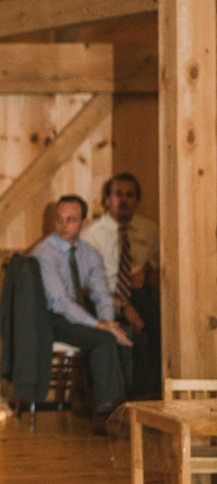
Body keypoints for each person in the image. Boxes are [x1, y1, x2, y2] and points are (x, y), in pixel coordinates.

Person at [31, 195, 132, 423]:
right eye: (59, 219)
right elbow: (60, 302)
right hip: (51, 319)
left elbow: (102, 295)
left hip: (76, 315)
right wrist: (101, 327)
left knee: (126, 336)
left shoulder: (89, 253)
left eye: (71, 220)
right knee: (104, 339)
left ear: (84, 223)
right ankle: (109, 414)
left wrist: (108, 321)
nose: (63, 225)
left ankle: (128, 406)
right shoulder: (44, 253)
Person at [81, 173, 161, 397]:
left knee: (160, 324)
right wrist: (124, 306)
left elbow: (160, 267)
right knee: (135, 334)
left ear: (136, 200)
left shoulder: (149, 230)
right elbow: (88, 284)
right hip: (103, 297)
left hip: (138, 294)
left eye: (130, 195)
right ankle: (134, 399)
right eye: (118, 194)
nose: (123, 200)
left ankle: (156, 394)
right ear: (107, 200)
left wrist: (147, 272)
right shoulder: (92, 235)